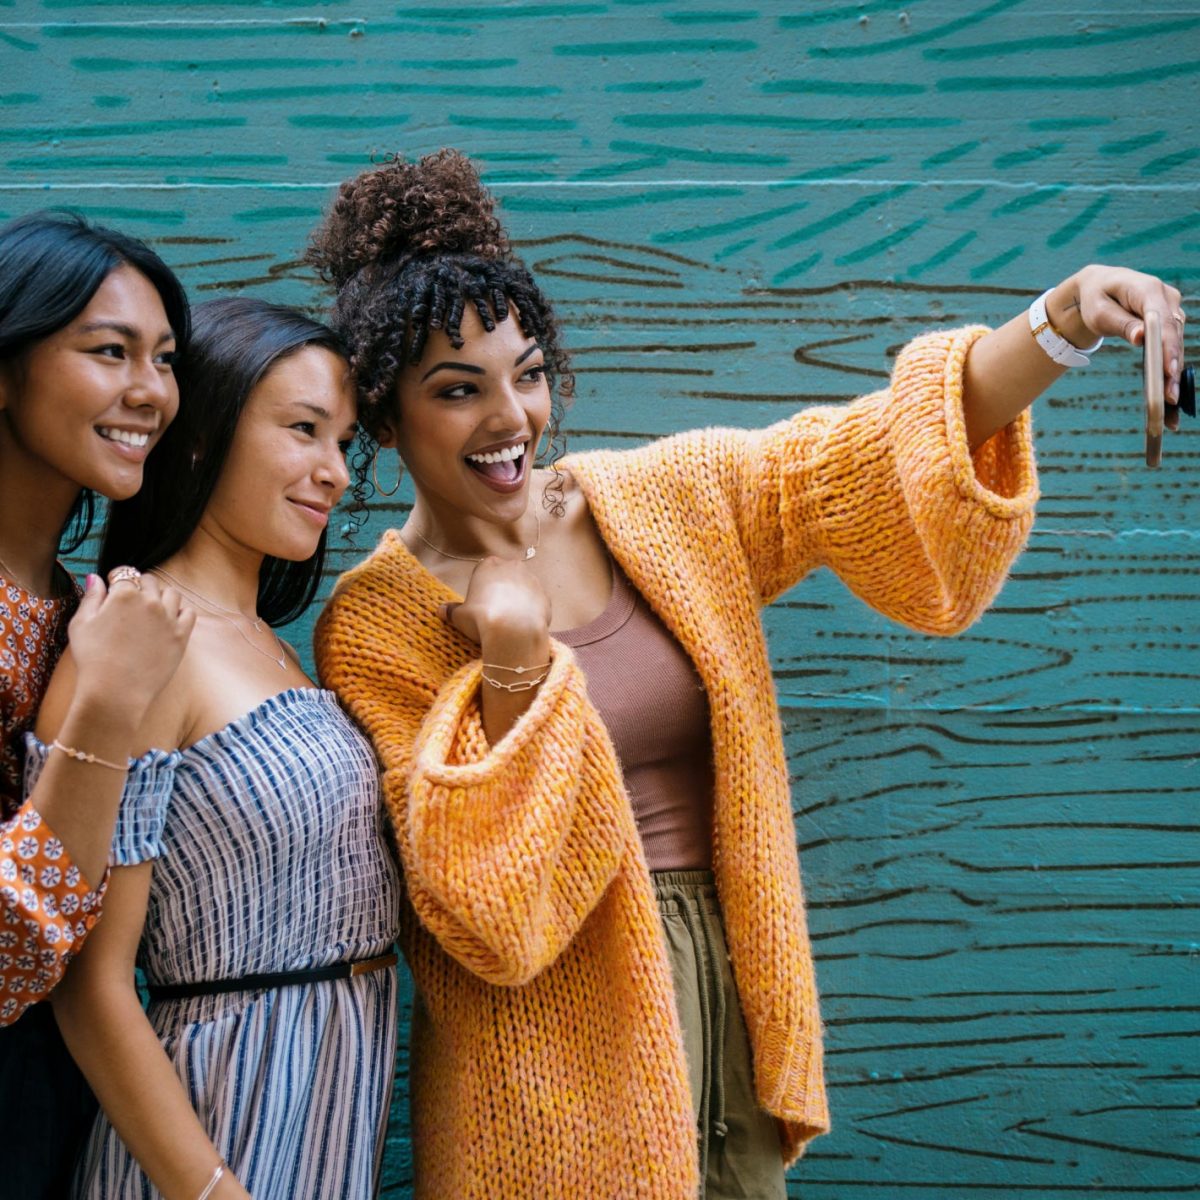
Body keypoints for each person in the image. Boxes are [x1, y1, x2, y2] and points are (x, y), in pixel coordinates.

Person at [307, 150, 1187, 1200]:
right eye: (459, 390)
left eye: (529, 374)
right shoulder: (378, 620)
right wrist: (510, 664)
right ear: (387, 414)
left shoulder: (660, 500)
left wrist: (1065, 319)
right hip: (542, 1065)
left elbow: (860, 458)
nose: (511, 420)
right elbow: (482, 913)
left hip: (728, 992)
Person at [39, 297, 402, 1199]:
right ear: (201, 437)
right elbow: (89, 985)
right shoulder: (137, 639)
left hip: (331, 1112)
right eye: (304, 431)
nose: (336, 473)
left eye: (344, 443)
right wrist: (210, 1191)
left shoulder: (275, 641)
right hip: (217, 1126)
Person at [0, 210, 196, 1198]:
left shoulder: (78, 602)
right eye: (108, 351)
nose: (149, 392)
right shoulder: (105, 648)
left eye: (163, 358)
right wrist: (109, 704)